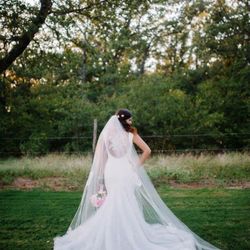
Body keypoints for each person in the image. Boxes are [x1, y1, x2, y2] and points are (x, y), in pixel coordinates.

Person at [53, 108, 221, 250]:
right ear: (124, 121)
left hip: (112, 172)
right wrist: (135, 165)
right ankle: (129, 233)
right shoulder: (130, 136)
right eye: (130, 120)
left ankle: (113, 233)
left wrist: (101, 177)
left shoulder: (105, 137)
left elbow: (100, 159)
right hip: (126, 172)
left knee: (114, 201)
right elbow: (147, 150)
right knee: (126, 201)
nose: (131, 123)